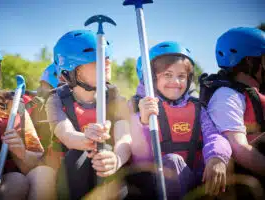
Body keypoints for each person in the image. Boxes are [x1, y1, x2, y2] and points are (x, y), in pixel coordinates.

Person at [129, 41, 232, 199]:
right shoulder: (143, 108)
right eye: (167, 75)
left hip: (193, 179)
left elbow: (213, 135)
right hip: (156, 184)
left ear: (189, 79)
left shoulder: (198, 109)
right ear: (151, 79)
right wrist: (143, 121)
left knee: (225, 160)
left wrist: (217, 157)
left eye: (181, 76)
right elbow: (140, 156)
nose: (175, 82)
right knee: (172, 161)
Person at [0, 37, 56, 200]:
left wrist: (21, 152)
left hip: (19, 178)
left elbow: (38, 161)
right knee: (15, 182)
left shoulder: (13, 106)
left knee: (45, 174)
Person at [45, 30, 131, 199]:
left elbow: (125, 137)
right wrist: (87, 138)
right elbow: (67, 134)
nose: (107, 62)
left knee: (106, 151)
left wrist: (117, 160)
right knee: (78, 154)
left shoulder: (115, 98)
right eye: (97, 59)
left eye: (107, 57)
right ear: (70, 71)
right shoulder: (55, 100)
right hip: (71, 174)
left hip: (108, 169)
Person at [202, 27, 265, 199]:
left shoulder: (257, 92)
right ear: (249, 62)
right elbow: (239, 149)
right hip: (241, 180)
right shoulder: (227, 96)